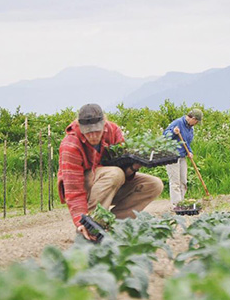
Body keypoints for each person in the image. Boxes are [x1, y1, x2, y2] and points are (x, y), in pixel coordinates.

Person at [58, 103, 163, 240]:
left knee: (154, 184)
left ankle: (113, 226)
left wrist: (133, 167)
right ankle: (92, 226)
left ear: (104, 124)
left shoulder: (113, 131)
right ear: (81, 128)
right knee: (115, 173)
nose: (93, 135)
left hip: (109, 183)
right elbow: (73, 190)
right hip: (85, 187)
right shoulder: (71, 144)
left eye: (97, 131)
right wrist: (80, 222)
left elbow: (123, 172)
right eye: (88, 132)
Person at [163, 108, 203, 207]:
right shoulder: (178, 122)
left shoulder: (190, 128)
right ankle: (177, 205)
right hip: (172, 156)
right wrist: (173, 132)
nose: (196, 123)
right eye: (196, 121)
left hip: (182, 156)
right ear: (193, 118)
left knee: (183, 181)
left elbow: (186, 142)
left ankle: (182, 202)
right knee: (175, 182)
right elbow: (165, 135)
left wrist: (189, 152)